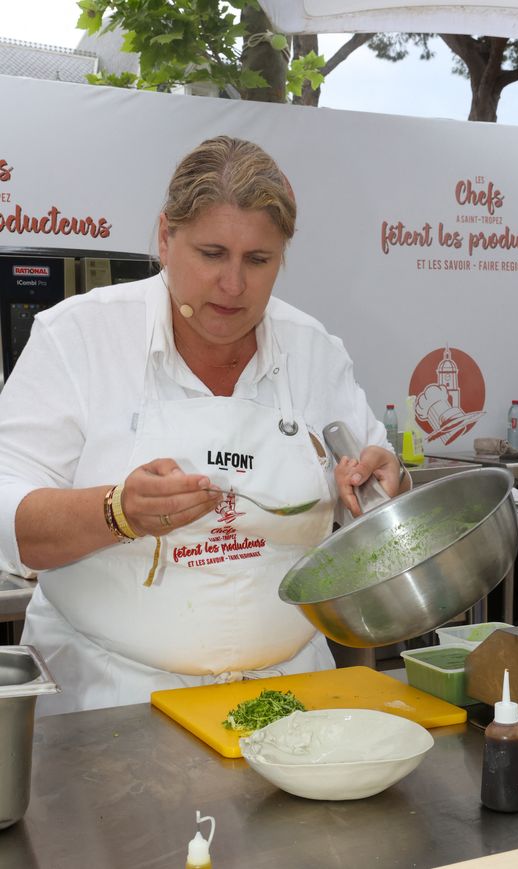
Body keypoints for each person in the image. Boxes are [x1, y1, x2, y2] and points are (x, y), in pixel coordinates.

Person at [0, 136, 410, 715]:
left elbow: (378, 504)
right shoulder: (80, 338)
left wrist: (384, 483)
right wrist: (116, 512)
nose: (234, 285)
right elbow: (8, 516)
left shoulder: (314, 352)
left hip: (290, 702)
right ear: (166, 239)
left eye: (258, 260)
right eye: (212, 254)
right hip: (109, 703)